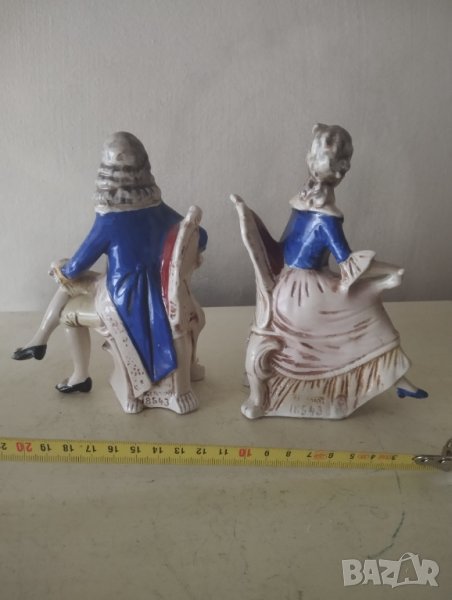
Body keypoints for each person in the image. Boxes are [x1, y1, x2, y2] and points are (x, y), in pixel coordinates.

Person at [232, 123, 426, 420]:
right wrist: (391, 270)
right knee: (368, 309)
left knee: (367, 298)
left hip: (287, 283)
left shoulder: (301, 201)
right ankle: (395, 377)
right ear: (341, 170)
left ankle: (396, 378)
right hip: (304, 295)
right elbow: (350, 266)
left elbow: (285, 246)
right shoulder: (327, 218)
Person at [13, 132, 207, 395]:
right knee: (70, 285)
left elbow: (75, 268)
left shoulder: (109, 219)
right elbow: (201, 235)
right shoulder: (159, 208)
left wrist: (59, 267)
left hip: (123, 296)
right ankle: (39, 340)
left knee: (68, 308)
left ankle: (75, 372)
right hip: (161, 291)